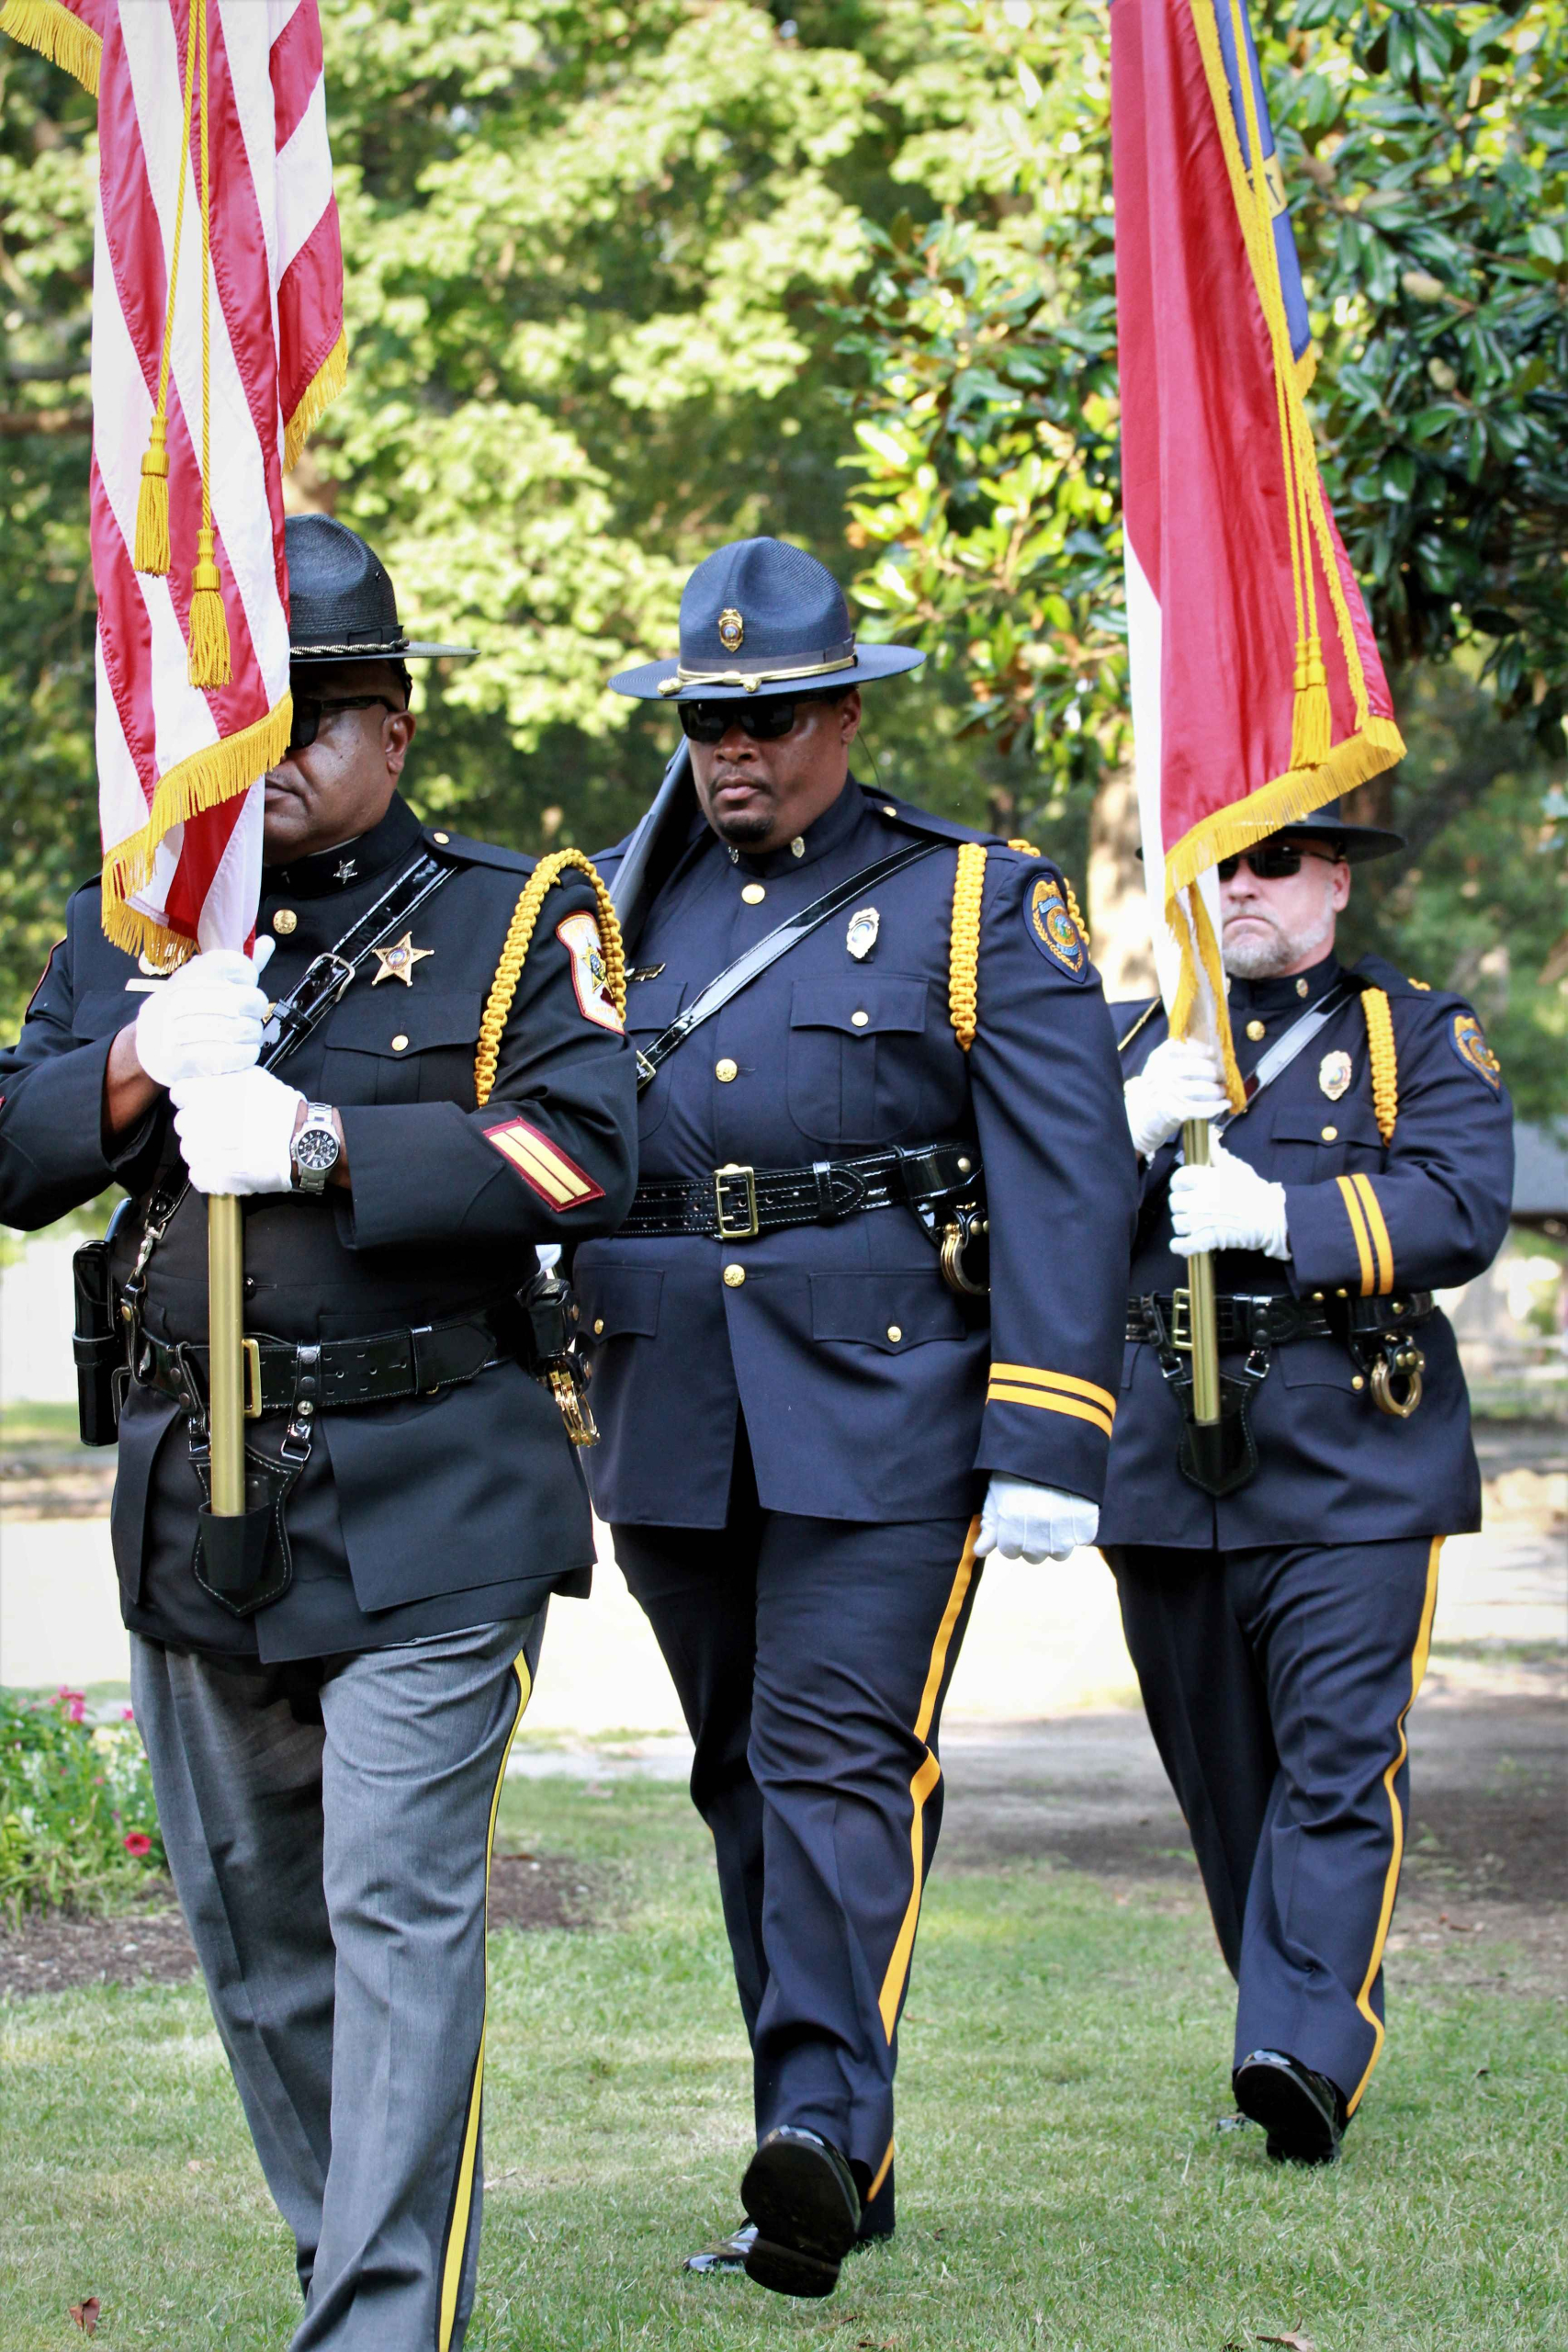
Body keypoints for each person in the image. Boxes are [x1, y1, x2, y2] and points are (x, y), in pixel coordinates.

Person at [0, 514, 637, 2352]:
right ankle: (340, 2248)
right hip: (199, 1493)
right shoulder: (143, 926)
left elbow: (593, 1149)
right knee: (260, 1934)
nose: (271, 756)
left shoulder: (518, 914)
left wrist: (339, 1142)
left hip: (435, 1481)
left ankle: (375, 2320)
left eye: (316, 718)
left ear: (398, 727)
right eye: (241, 723)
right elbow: (16, 1148)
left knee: (393, 1905)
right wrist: (138, 1057)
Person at [575, 536, 1135, 2297]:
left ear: (842, 711)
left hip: (890, 1414)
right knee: (744, 1777)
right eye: (705, 718)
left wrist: (1050, 1431)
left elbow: (1067, 1176)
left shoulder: (972, 901)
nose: (733, 751)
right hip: (670, 1404)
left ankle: (816, 2133)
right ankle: (833, 2142)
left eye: (769, 717)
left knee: (831, 1759)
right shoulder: (608, 908)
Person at [1099, 803, 1514, 2164]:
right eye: (1221, 860)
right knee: (1228, 1787)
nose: (1243, 886)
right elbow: (1022, 1231)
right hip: (1169, 1458)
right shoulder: (1134, 1043)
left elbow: (1464, 1203)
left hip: (1352, 1454)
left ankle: (1303, 2049)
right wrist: (1124, 1129)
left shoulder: (1409, 1036)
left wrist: (1291, 1219)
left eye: (1277, 859)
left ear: (1336, 877)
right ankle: (1299, 2006)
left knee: (1336, 1765)